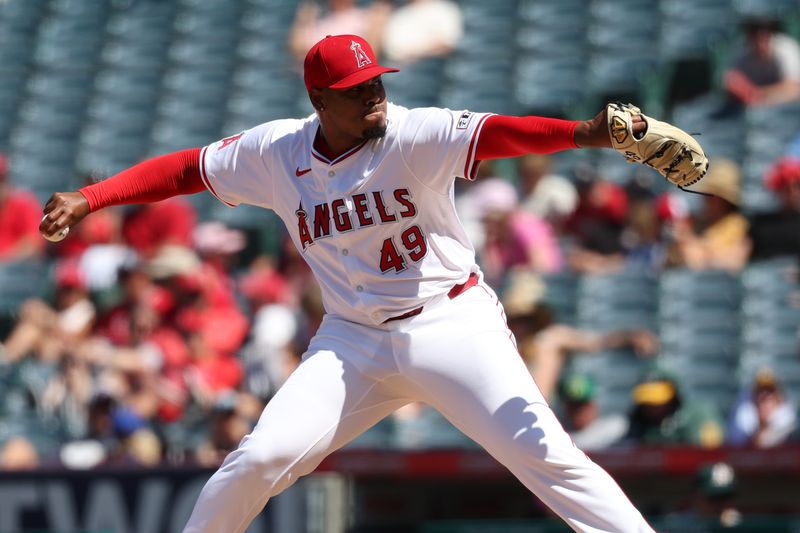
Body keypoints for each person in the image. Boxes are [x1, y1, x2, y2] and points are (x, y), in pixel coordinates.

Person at [41, 34, 661, 532]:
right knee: (258, 459)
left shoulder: (412, 133)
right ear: (318, 99)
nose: (373, 96)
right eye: (355, 90)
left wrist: (584, 133)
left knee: (547, 457)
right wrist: (93, 197)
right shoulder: (275, 152)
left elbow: (498, 132)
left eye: (375, 82)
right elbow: (185, 169)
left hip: (450, 321)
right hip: (353, 341)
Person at [724, 17, 800, 107]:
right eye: (754, 35)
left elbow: (794, 89)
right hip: (756, 109)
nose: (760, 40)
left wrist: (757, 94)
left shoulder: (786, 48)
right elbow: (730, 80)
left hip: (788, 108)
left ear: (770, 35)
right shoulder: (742, 53)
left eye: (764, 35)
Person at [726, 369, 797, 448]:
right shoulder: (742, 425)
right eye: (759, 392)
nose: (763, 399)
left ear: (778, 399)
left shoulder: (791, 430)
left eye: (769, 393)